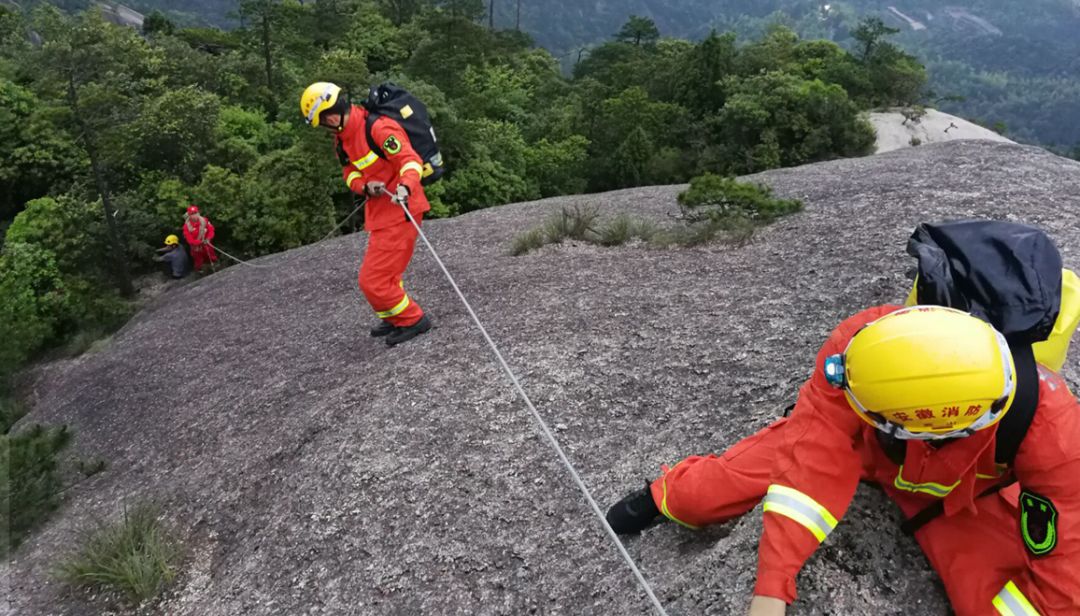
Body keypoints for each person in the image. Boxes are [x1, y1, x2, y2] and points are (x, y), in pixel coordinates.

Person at [607, 305, 1080, 616]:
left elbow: (1064, 574)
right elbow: (810, 469)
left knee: (996, 602)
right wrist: (770, 593)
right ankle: (665, 492)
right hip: (855, 447)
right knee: (702, 497)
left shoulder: (1056, 435)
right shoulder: (864, 347)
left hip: (956, 498)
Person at [299, 81, 432, 347]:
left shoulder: (378, 128)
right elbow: (350, 173)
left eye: (322, 122)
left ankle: (413, 319)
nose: (324, 129)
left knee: (372, 280)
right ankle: (393, 316)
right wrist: (364, 186)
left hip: (401, 209)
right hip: (380, 211)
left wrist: (405, 186)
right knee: (388, 275)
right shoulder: (343, 140)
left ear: (331, 114)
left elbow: (410, 160)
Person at [182, 204, 219, 273]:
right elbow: (189, 239)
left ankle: (214, 266)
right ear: (189, 215)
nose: (194, 215)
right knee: (199, 261)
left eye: (195, 213)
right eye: (192, 214)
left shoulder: (204, 220)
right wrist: (200, 242)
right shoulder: (186, 227)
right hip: (196, 248)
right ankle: (201, 271)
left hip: (207, 244)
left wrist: (208, 238)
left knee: (211, 256)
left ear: (198, 213)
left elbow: (211, 230)